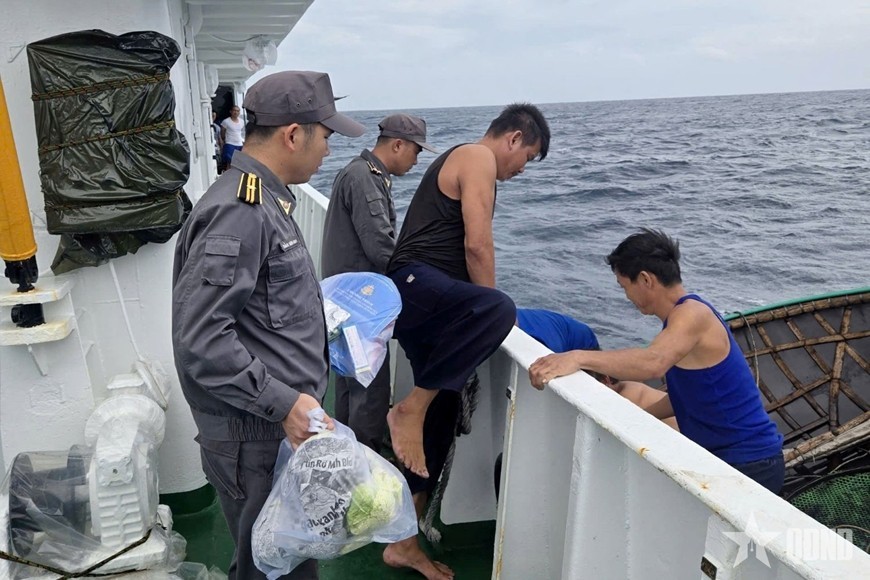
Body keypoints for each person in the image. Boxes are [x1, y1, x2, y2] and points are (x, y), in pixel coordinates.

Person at [172, 70, 365, 580]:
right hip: (256, 435)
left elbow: (261, 312)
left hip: (276, 428)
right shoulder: (242, 210)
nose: (327, 150)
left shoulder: (267, 200)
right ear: (293, 134)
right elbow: (201, 340)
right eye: (325, 136)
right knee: (274, 568)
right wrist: (284, 402)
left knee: (279, 560)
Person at [382, 103, 550, 579]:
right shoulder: (477, 157)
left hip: (430, 307)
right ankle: (408, 408)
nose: (521, 171)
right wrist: (491, 315)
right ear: (514, 139)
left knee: (443, 412)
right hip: (414, 286)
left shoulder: (474, 161)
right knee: (498, 307)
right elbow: (478, 245)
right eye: (527, 158)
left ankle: (404, 541)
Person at [528, 229, 785, 493]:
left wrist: (578, 357)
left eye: (624, 286)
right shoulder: (678, 324)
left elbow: (653, 362)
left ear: (645, 279)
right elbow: (685, 398)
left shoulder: (692, 314)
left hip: (750, 462)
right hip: (728, 459)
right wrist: (633, 417)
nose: (626, 296)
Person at [321, 113, 437, 453]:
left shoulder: (364, 174)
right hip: (360, 306)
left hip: (347, 300)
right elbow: (380, 246)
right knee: (367, 388)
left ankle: (346, 449)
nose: (416, 160)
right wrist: (420, 281)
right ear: (398, 145)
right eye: (416, 151)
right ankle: (366, 458)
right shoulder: (365, 178)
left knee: (348, 385)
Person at [220, 105, 245, 169]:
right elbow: (222, 133)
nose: (236, 112)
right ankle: (228, 177)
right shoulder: (226, 121)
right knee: (230, 162)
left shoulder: (242, 121)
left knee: (239, 162)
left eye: (237, 111)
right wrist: (224, 141)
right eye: (234, 110)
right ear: (230, 111)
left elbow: (241, 132)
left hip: (239, 144)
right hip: (230, 144)